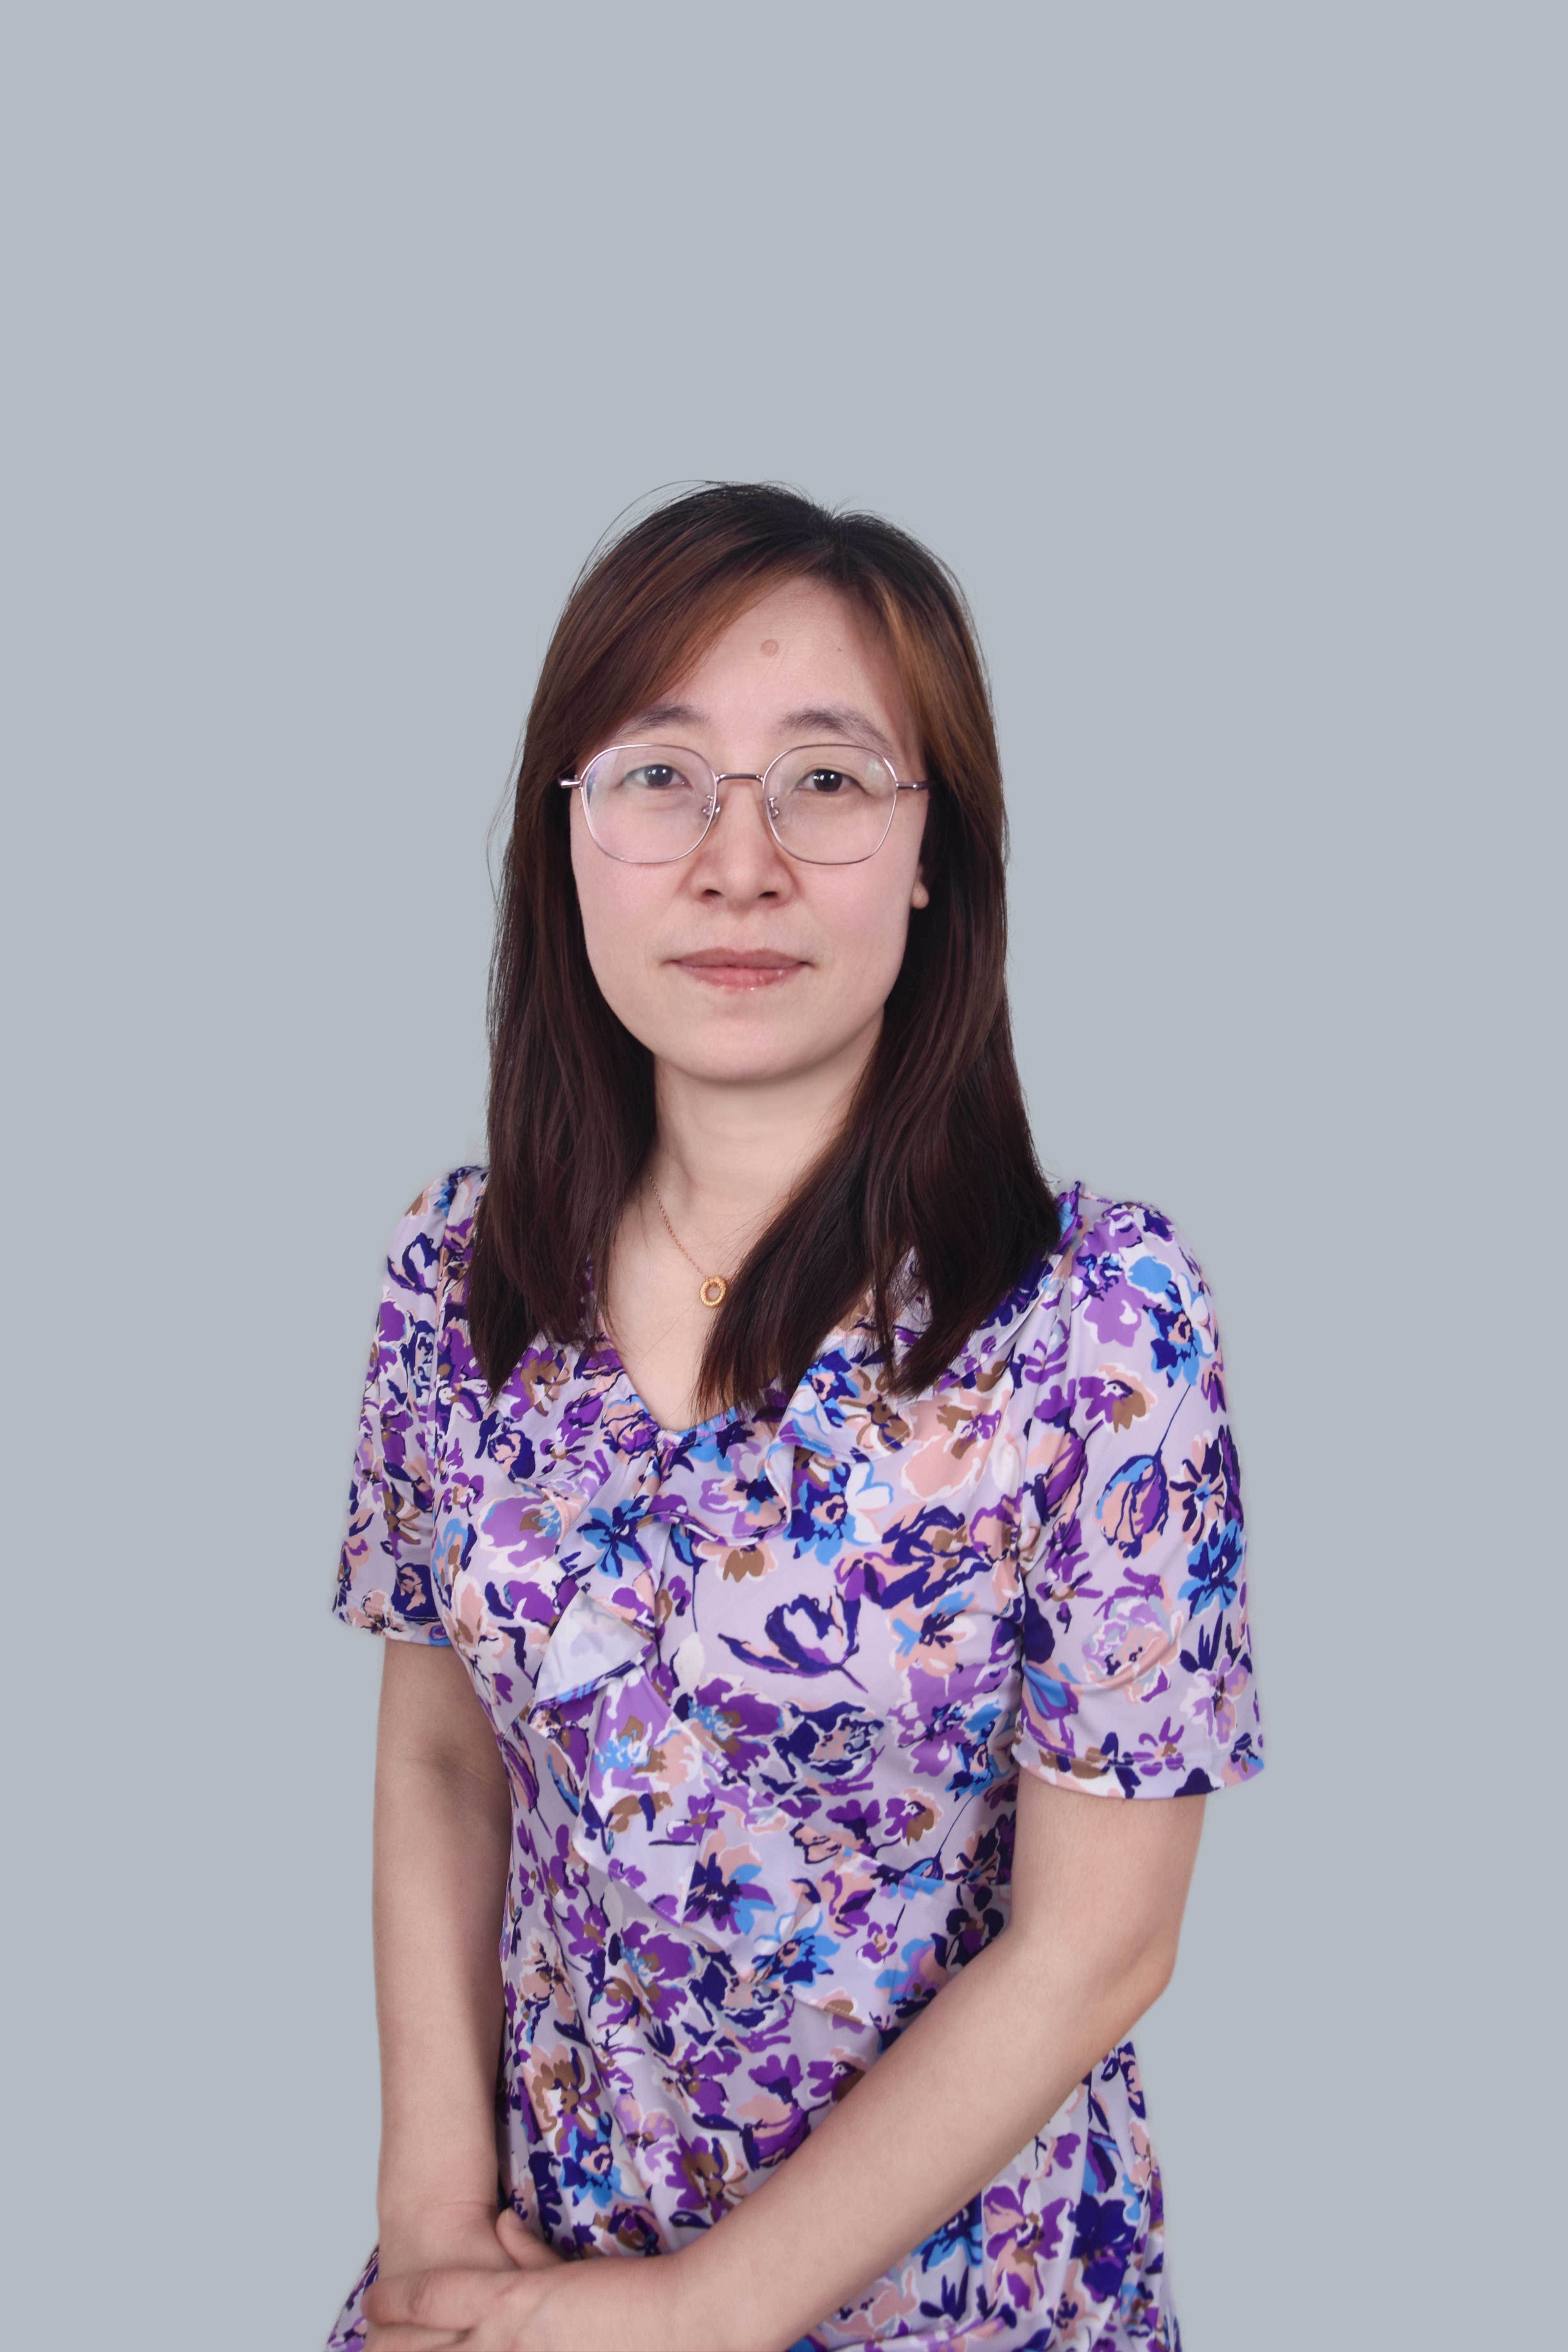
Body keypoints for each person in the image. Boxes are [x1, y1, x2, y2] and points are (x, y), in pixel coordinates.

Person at [327, 483, 1262, 2352]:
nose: (736, 863)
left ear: (933, 854)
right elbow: (441, 1758)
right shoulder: (458, 1277)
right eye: (660, 779)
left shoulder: (1097, 1322)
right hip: (539, 2274)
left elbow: (1098, 1944)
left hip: (967, 2305)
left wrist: (696, 2317)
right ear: (569, 837)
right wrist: (432, 2216)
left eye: (826, 781)